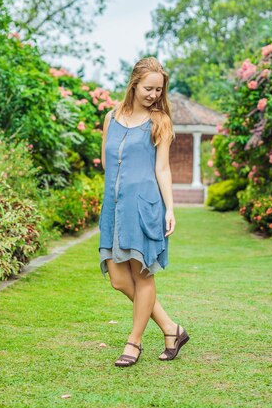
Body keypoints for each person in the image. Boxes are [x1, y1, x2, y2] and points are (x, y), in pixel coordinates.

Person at [97, 57, 190, 367]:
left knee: (142, 274)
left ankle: (133, 343)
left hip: (145, 206)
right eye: (148, 88)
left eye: (158, 89)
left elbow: (162, 168)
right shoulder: (111, 118)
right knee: (118, 279)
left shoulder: (159, 121)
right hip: (114, 207)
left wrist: (170, 208)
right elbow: (108, 166)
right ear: (134, 84)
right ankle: (171, 328)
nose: (153, 94)